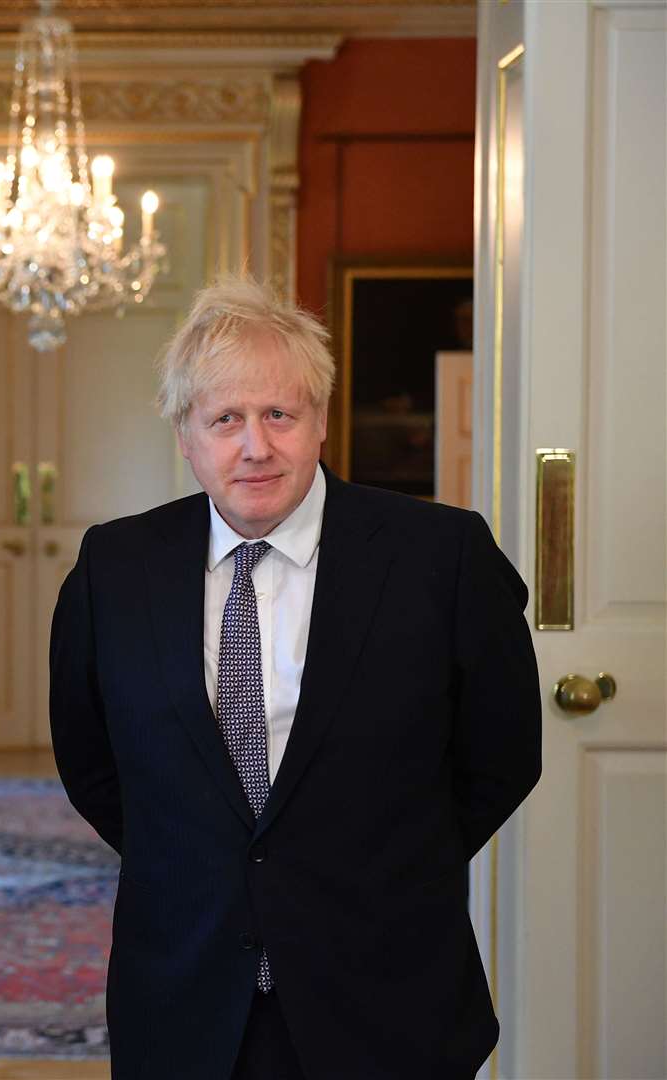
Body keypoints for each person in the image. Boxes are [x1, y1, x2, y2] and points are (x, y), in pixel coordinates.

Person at [49, 278, 540, 1079]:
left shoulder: (440, 557)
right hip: (184, 987)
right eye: (225, 420)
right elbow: (90, 759)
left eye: (279, 414)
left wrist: (386, 862)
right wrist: (204, 864)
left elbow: (503, 754)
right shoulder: (115, 566)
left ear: (319, 421)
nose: (255, 447)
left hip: (386, 984)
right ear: (186, 436)